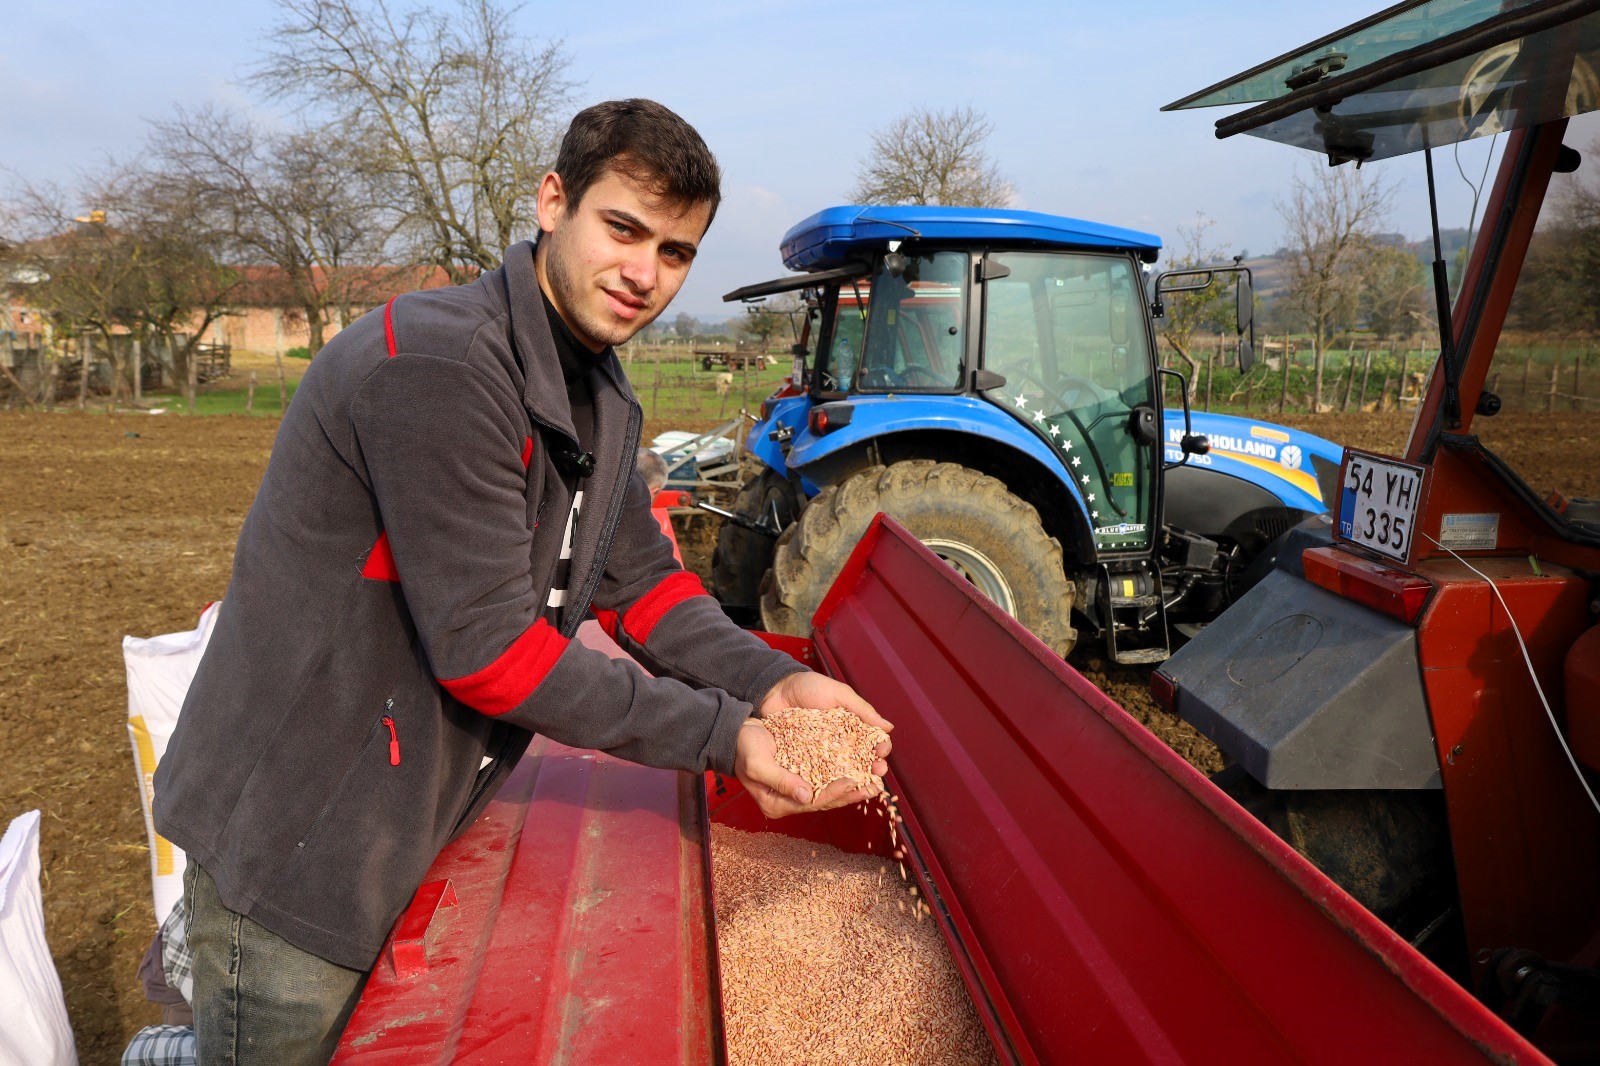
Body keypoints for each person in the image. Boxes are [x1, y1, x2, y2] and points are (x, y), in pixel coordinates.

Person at [151, 98, 890, 1064]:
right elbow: (490, 653)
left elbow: (641, 583)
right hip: (298, 841)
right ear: (553, 202)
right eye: (622, 228)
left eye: (675, 252)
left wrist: (767, 680)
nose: (643, 274)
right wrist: (723, 737)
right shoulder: (441, 366)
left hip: (397, 814)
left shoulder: (597, 386)